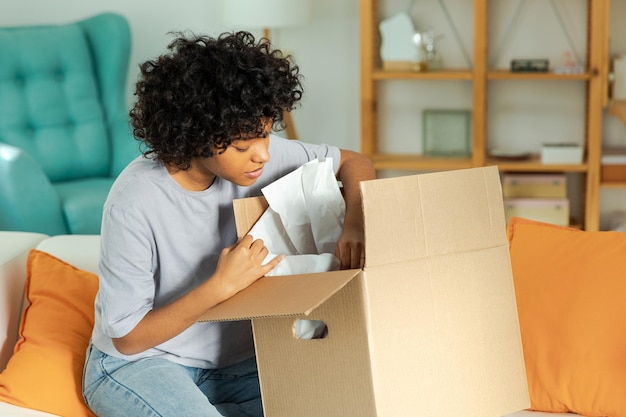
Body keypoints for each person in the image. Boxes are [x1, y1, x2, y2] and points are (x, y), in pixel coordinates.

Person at [82, 31, 375, 417]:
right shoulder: (134, 200)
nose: (263, 155)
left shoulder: (257, 152)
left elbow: (355, 162)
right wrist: (220, 286)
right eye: (243, 147)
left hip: (239, 365)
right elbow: (129, 339)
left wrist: (356, 220)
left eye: (268, 134)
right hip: (143, 363)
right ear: (196, 134)